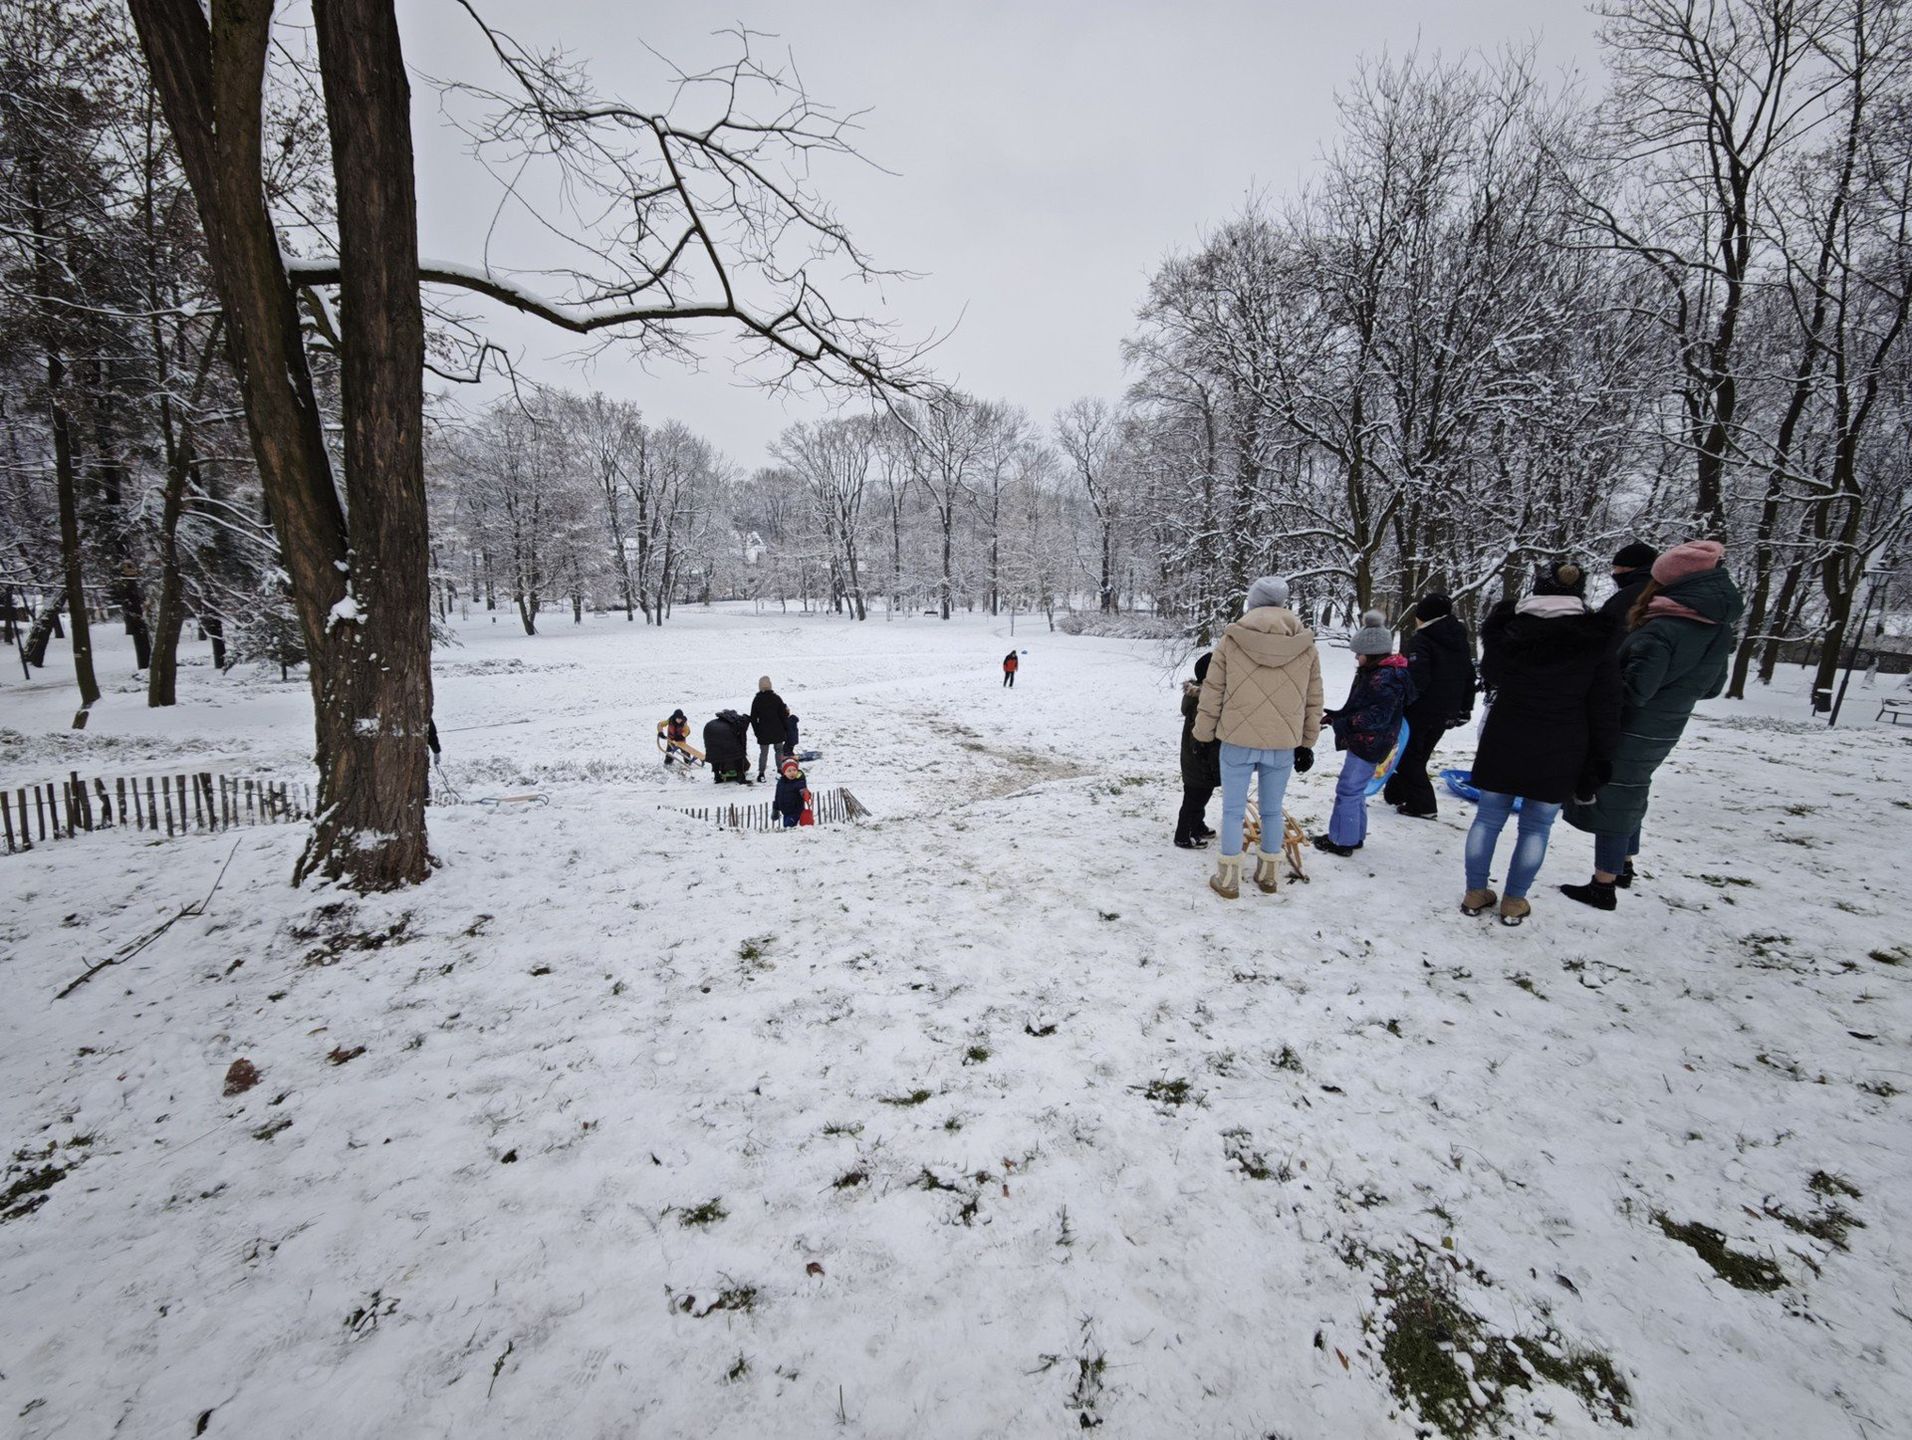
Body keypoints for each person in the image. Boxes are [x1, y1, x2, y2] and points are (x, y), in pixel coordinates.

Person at [1561, 540, 1744, 909]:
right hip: (1667, 725)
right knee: (1634, 788)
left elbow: (1635, 690)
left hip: (1632, 726)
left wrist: (1602, 682)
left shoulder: (1663, 629)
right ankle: (1624, 863)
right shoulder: (1716, 628)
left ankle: (1603, 884)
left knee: (1614, 794)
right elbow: (1711, 688)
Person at [1461, 560, 1621, 926]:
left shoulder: (1510, 630)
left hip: (1506, 735)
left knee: (1487, 818)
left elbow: (1492, 674)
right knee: (1537, 826)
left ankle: (1474, 892)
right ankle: (1514, 901)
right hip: (1562, 744)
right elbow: (1606, 706)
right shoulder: (1595, 638)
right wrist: (1599, 762)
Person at [1191, 575, 1322, 899]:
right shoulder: (1306, 644)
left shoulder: (1232, 640)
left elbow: (1213, 692)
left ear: (1253, 602)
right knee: (1272, 810)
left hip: (1237, 738)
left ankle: (1229, 879)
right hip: (1282, 742)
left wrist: (1202, 733)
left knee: (1234, 810)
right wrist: (1307, 742)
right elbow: (1313, 698)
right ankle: (1268, 876)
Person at [1316, 612, 1413, 857]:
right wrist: (1336, 717)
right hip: (1368, 741)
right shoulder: (1378, 674)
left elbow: (1375, 716)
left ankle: (1342, 841)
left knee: (1347, 790)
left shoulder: (1384, 679)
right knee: (1354, 790)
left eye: (1359, 654)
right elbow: (1363, 707)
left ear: (1372, 653)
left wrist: (1345, 723)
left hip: (1369, 743)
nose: (1356, 658)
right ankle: (1354, 835)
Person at [1386, 593, 1476, 819]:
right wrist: (1464, 708)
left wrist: (1401, 700)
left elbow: (1418, 679)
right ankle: (1398, 793)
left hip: (1422, 710)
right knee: (1419, 754)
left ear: (1424, 616)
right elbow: (1468, 675)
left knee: (1408, 756)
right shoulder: (1458, 639)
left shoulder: (1423, 640)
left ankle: (1423, 805)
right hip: (1447, 710)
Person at [1175, 652, 1221, 849]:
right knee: (1193, 799)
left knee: (1202, 795)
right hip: (1198, 759)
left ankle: (1198, 825)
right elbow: (1198, 733)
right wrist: (1202, 755)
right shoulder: (1202, 702)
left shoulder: (1204, 698)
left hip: (1200, 758)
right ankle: (1184, 834)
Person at [1600, 542, 1658, 630]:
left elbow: (1602, 628)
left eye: (1615, 567)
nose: (1614, 573)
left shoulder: (1627, 596)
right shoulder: (1665, 588)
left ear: (1628, 567)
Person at [750, 676, 792, 781]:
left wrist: (757, 732)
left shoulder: (757, 699)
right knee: (779, 751)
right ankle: (780, 770)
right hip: (778, 730)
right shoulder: (776, 698)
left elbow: (753, 718)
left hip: (763, 732)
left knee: (763, 753)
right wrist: (786, 729)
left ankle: (761, 774)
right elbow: (783, 715)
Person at [703, 709, 753, 784]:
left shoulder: (719, 722)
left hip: (710, 735)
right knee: (738, 756)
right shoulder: (738, 723)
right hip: (724, 736)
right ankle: (740, 778)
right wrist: (742, 752)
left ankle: (717, 777)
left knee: (715, 756)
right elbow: (742, 743)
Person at [773, 755, 811, 828]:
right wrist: (775, 809)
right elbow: (777, 796)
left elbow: (802, 789)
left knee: (788, 827)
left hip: (796, 812)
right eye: (789, 771)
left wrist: (805, 793)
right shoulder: (781, 782)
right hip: (785, 812)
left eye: (794, 770)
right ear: (784, 772)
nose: (792, 773)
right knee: (786, 827)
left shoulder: (799, 781)